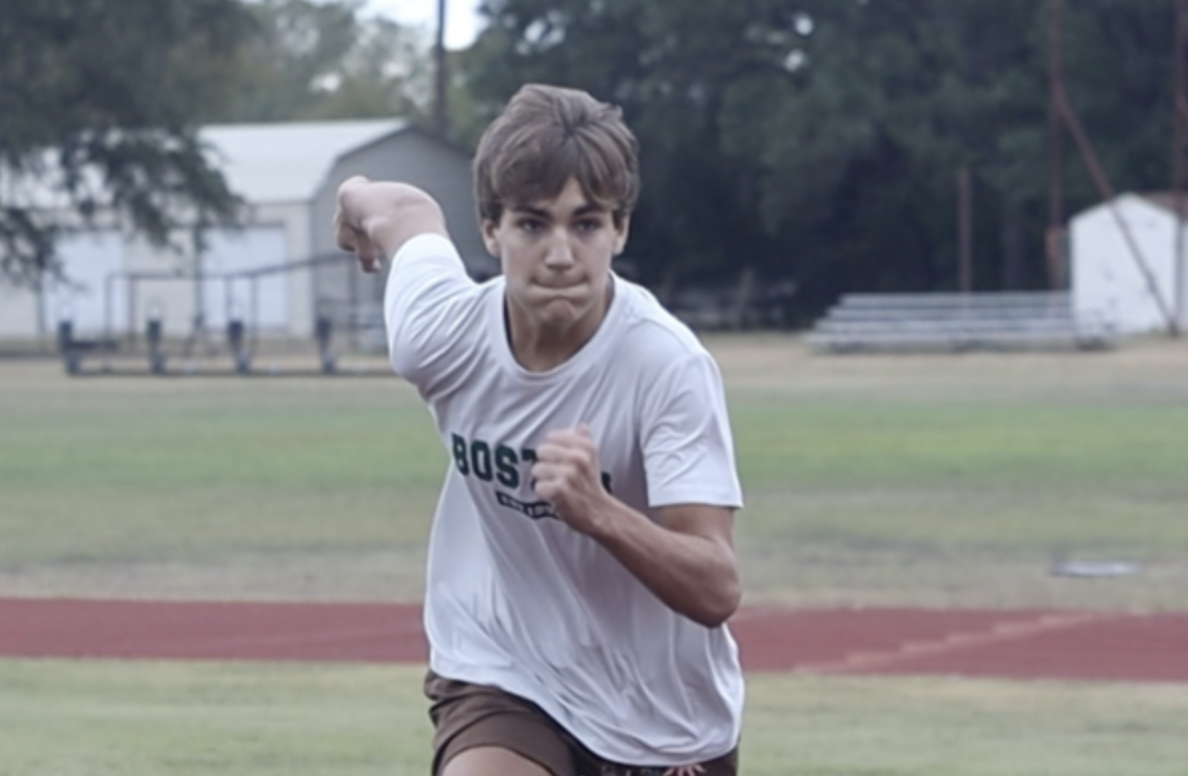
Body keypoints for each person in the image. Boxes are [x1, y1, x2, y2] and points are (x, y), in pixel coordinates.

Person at [333, 83, 745, 776]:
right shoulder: (441, 334)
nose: (560, 254)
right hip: (505, 669)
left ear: (620, 230)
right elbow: (404, 210)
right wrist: (350, 198)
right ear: (491, 229)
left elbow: (717, 587)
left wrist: (600, 513)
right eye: (532, 223)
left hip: (663, 715)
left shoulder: (665, 365)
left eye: (586, 224)